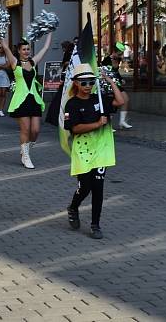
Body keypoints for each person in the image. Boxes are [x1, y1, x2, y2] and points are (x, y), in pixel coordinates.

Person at [64, 64, 125, 240]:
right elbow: (75, 128)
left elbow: (120, 101)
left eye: (91, 82)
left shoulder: (100, 98)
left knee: (98, 188)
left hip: (101, 150)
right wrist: (97, 124)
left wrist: (109, 81)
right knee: (85, 188)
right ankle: (73, 207)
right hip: (83, 150)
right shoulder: (72, 104)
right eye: (84, 83)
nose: (88, 86)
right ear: (76, 84)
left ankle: (95, 225)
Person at [0, 32, 52, 169]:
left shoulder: (33, 62)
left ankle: (25, 150)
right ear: (18, 51)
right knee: (25, 129)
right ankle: (25, 156)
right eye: (24, 49)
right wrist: (1, 32)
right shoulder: (15, 63)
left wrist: (50, 31)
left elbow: (45, 48)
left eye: (28, 49)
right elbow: (5, 47)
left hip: (34, 99)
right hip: (21, 100)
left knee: (35, 131)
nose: (26, 51)